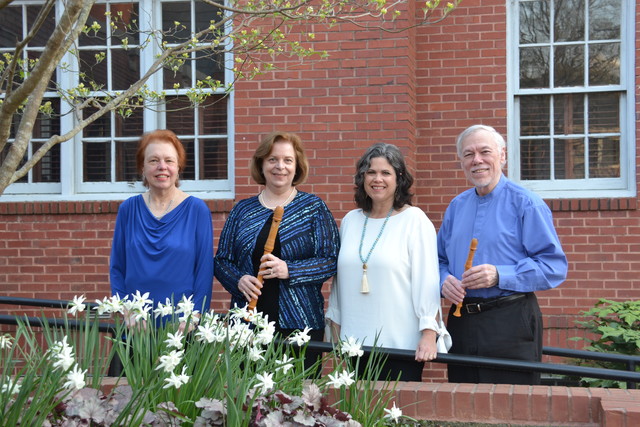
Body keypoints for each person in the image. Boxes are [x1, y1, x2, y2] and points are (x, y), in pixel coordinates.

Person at [437, 124, 568, 385]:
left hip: (510, 319)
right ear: (461, 161)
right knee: (463, 403)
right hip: (462, 321)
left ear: (503, 156)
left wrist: (500, 274)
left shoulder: (527, 203)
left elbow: (553, 266)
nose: (477, 160)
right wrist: (443, 281)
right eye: (468, 154)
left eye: (485, 151)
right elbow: (439, 260)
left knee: (512, 405)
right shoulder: (456, 207)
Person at [214, 131, 340, 370]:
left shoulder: (314, 208)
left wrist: (288, 269)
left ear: (296, 166)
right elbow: (222, 261)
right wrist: (239, 280)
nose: (280, 166)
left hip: (299, 324)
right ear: (261, 165)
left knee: (298, 401)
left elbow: (330, 260)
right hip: (248, 323)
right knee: (247, 398)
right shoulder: (243, 210)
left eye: (287, 160)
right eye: (272, 159)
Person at [326, 143, 441, 382]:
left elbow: (427, 280)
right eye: (371, 172)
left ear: (399, 179)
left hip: (399, 344)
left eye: (386, 173)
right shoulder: (350, 220)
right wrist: (334, 325)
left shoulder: (415, 221)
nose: (378, 179)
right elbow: (340, 280)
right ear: (362, 177)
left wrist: (429, 332)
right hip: (354, 344)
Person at [110, 129, 214, 330]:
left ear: (178, 166)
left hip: (181, 326)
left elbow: (204, 270)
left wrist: (194, 316)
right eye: (153, 160)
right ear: (143, 167)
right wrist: (127, 311)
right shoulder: (128, 210)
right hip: (136, 326)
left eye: (169, 160)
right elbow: (117, 268)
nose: (162, 167)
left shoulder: (197, 210)